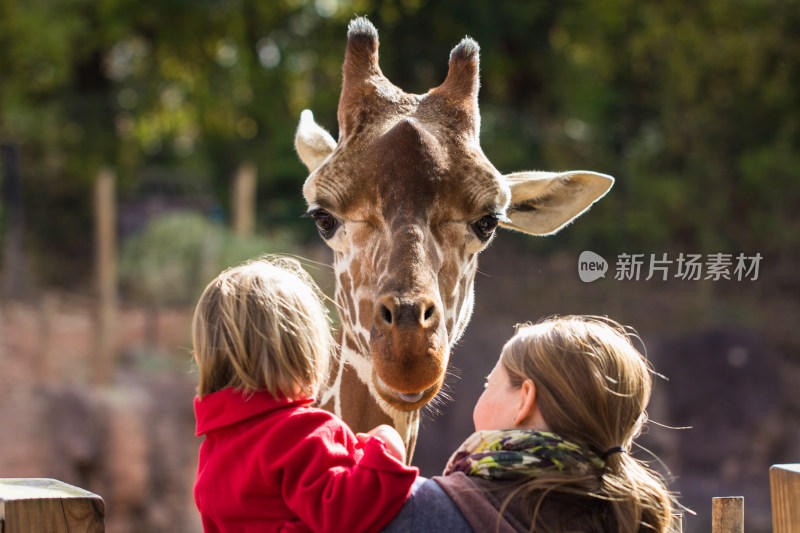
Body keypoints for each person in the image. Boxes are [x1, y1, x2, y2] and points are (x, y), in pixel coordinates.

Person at [383, 315, 679, 533]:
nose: (482, 391)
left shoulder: (417, 512)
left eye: (490, 383)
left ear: (524, 400)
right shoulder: (633, 522)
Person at [192, 257, 418, 533]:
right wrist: (386, 449)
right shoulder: (301, 432)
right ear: (302, 353)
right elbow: (345, 513)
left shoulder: (212, 455)